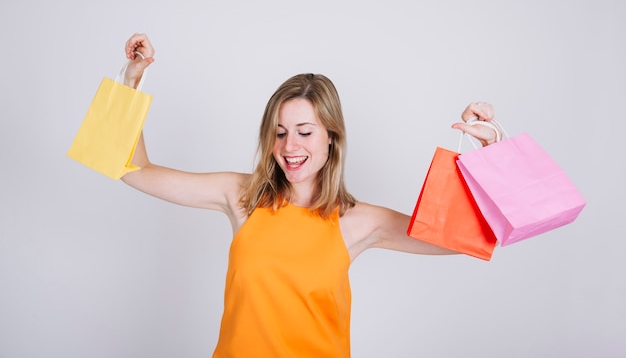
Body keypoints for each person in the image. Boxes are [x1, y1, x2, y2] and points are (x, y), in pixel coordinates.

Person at [121, 33, 500, 358]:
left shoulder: (358, 221)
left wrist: (491, 150)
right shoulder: (242, 197)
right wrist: (131, 79)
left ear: (331, 137)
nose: (290, 146)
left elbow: (467, 238)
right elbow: (133, 169)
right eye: (280, 132)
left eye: (305, 131)